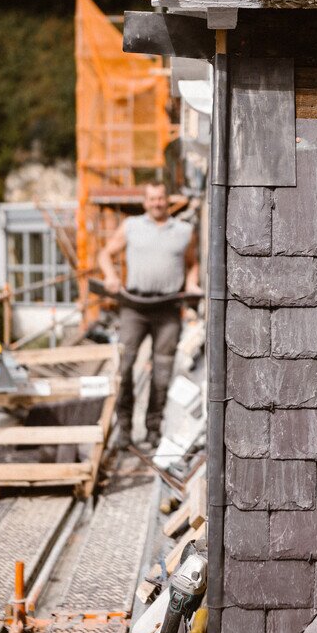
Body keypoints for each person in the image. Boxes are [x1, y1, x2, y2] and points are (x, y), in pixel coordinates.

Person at [98, 182, 200, 450]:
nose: (157, 203)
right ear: (145, 202)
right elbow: (105, 254)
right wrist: (110, 276)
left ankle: (153, 428)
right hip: (134, 306)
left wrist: (191, 283)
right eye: (152, 198)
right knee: (124, 366)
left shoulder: (183, 231)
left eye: (161, 198)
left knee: (162, 372)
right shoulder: (131, 226)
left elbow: (192, 263)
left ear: (167, 200)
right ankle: (124, 430)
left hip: (167, 308)